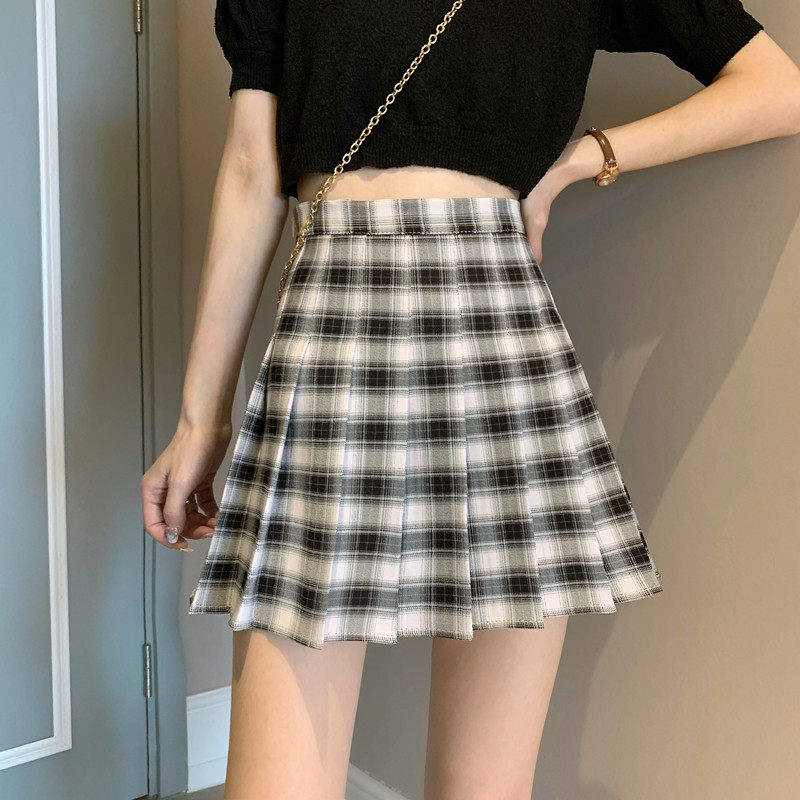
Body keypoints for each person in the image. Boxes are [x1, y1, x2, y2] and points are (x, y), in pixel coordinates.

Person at [141, 1, 800, 798]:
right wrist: (200, 420)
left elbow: (777, 88)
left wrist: (581, 160)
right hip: (335, 336)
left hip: (501, 341)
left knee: (484, 788)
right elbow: (253, 172)